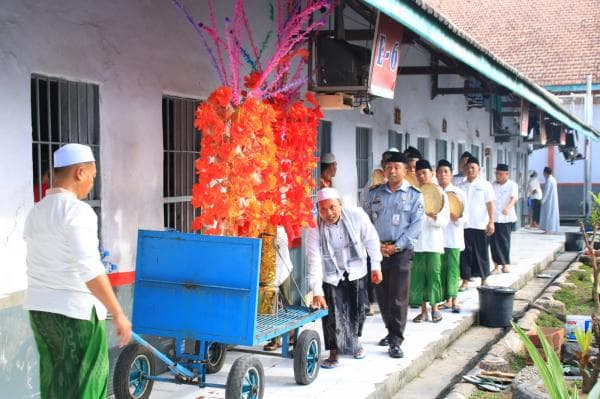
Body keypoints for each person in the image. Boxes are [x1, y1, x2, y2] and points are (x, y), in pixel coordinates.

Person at [23, 143, 132, 399]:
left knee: (56, 386)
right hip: (75, 315)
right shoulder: (77, 212)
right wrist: (117, 313)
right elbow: (90, 269)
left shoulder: (35, 212)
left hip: (41, 312)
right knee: (87, 387)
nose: (92, 184)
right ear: (79, 173)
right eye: (92, 177)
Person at [307, 188, 383, 368]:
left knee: (359, 308)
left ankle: (355, 341)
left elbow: (371, 239)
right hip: (331, 274)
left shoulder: (356, 215)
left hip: (357, 269)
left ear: (340, 204)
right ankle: (334, 352)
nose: (328, 213)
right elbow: (314, 258)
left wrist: (376, 265)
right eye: (323, 209)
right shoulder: (315, 225)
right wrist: (317, 290)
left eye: (332, 207)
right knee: (332, 313)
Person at [363, 151, 424, 358]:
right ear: (384, 170)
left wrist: (397, 246)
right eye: (389, 168)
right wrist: (375, 245)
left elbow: (416, 226)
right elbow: (366, 221)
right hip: (377, 251)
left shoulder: (415, 195)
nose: (393, 171)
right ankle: (390, 331)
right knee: (382, 296)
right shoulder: (374, 194)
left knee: (398, 297)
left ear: (406, 171)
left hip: (400, 252)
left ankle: (396, 340)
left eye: (397, 167)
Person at [360, 148, 400, 316]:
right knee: (372, 269)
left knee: (392, 276)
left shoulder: (401, 185)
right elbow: (364, 203)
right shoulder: (373, 183)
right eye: (386, 163)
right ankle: (370, 303)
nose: (390, 169)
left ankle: (390, 306)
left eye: (394, 165)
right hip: (373, 235)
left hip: (393, 237)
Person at [409, 160, 449, 323]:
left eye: (424, 173)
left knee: (434, 275)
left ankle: (435, 308)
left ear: (431, 174)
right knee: (418, 278)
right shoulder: (413, 194)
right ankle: (423, 310)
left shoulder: (441, 194)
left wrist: (434, 217)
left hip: (433, 243)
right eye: (418, 174)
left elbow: (445, 220)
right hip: (418, 244)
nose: (421, 176)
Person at [458, 157, 495, 290]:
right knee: (465, 254)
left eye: (473, 167)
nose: (470, 170)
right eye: (467, 167)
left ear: (479, 170)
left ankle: (484, 278)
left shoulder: (485, 185)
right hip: (464, 225)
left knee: (482, 252)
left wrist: (491, 221)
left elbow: (490, 204)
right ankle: (465, 280)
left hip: (481, 224)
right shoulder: (460, 186)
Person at [436, 159, 466, 313]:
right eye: (440, 172)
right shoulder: (434, 192)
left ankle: (454, 300)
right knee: (441, 269)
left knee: (453, 269)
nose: (442, 175)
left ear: (451, 174)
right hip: (438, 238)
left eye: (446, 172)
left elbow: (466, 217)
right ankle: (445, 299)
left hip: (453, 236)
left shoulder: (458, 193)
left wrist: (457, 218)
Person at [490, 164, 518, 274]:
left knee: (505, 241)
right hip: (495, 217)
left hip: (506, 218)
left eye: (500, 174)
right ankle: (496, 266)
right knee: (494, 243)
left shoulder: (512, 185)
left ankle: (505, 265)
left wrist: (508, 208)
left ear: (506, 174)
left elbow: (514, 198)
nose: (498, 176)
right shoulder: (492, 185)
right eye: (496, 173)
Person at [539, 166, 560, 234]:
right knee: (551, 214)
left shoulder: (549, 180)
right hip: (552, 200)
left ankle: (549, 230)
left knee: (549, 214)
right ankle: (550, 229)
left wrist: (543, 200)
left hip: (549, 201)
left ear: (545, 172)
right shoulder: (553, 179)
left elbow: (546, 191)